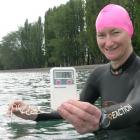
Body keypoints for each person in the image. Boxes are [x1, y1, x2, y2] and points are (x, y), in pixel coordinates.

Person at [8, 4, 140, 140]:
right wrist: (33, 114)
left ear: (130, 31)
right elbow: (70, 112)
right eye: (101, 35)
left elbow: (136, 106)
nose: (108, 43)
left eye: (115, 33)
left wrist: (103, 117)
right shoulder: (98, 75)